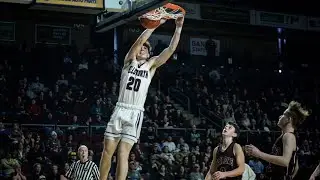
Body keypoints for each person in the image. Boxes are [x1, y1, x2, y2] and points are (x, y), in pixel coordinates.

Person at [99, 16, 185, 180]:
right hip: (120, 108)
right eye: (140, 48)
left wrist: (178, 28)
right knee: (107, 151)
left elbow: (170, 49)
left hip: (135, 112)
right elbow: (139, 41)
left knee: (123, 153)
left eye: (145, 48)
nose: (141, 49)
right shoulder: (129, 61)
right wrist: (155, 24)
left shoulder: (151, 65)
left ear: (149, 53)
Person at [245, 101, 309, 180]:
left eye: (283, 115)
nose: (280, 116)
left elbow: (285, 161)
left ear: (288, 119)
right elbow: (296, 166)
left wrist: (259, 154)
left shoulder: (288, 136)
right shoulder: (285, 136)